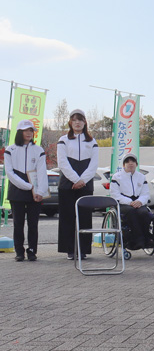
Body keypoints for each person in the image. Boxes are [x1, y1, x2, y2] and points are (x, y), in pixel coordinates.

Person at [57, 109, 99, 260]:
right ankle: (69, 249)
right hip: (67, 184)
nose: (77, 122)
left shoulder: (92, 141)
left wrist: (82, 181)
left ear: (85, 122)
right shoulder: (63, 140)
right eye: (74, 120)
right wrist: (75, 180)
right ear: (70, 122)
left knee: (84, 217)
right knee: (67, 216)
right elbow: (62, 162)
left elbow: (94, 165)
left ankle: (83, 249)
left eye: (80, 120)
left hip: (85, 184)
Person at [5, 119, 48, 261]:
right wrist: (29, 187)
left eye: (31, 130)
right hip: (17, 190)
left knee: (33, 223)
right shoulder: (9, 150)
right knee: (18, 223)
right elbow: (10, 173)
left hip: (35, 192)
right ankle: (19, 252)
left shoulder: (39, 150)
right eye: (26, 130)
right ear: (19, 132)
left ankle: (32, 251)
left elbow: (42, 172)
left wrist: (40, 191)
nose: (29, 133)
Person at [110, 153, 153, 250]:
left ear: (136, 164)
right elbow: (115, 194)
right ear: (123, 164)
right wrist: (130, 202)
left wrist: (140, 201)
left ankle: (147, 238)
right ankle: (138, 240)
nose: (130, 163)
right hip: (123, 203)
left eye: (133, 161)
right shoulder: (117, 177)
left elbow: (145, 194)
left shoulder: (141, 177)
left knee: (144, 213)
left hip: (138, 202)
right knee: (131, 212)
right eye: (128, 162)